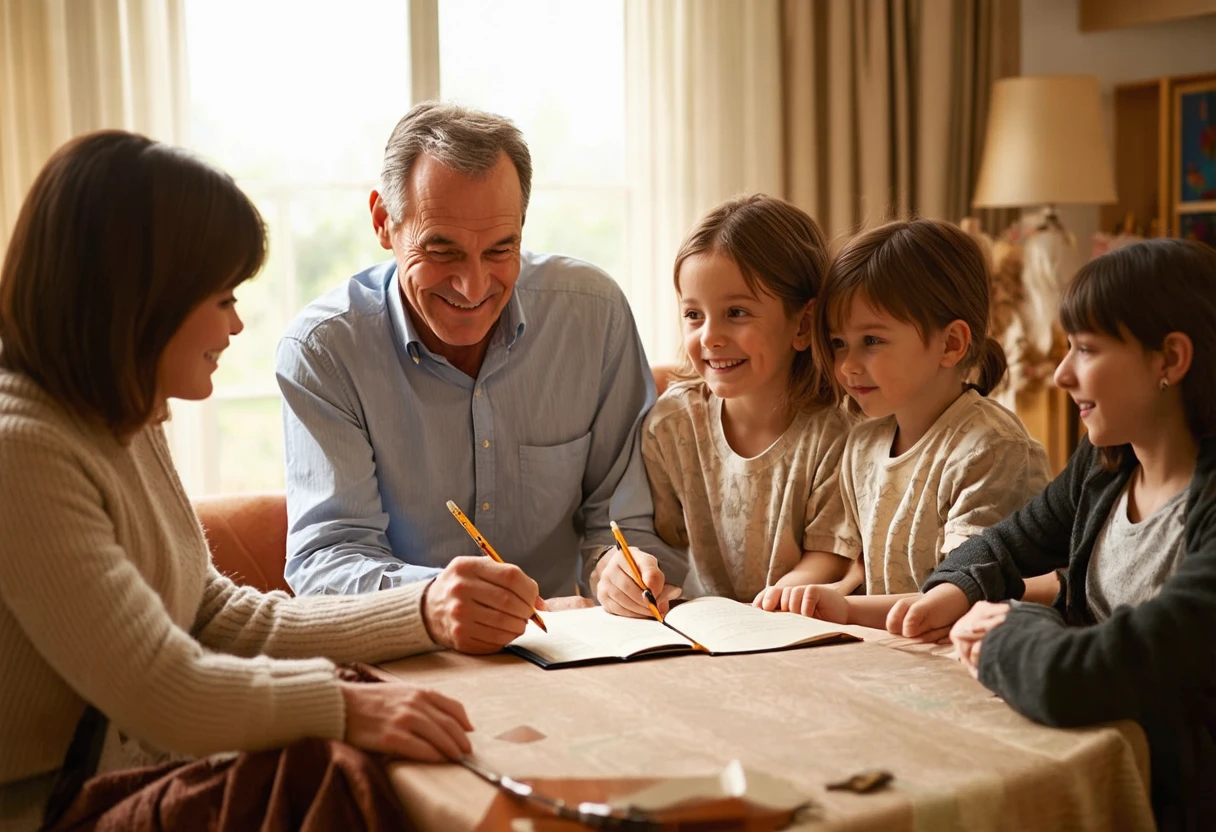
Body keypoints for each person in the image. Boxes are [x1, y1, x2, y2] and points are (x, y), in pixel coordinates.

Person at [0, 131, 474, 830]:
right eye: (221, 297)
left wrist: (425, 610)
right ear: (141, 300)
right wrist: (348, 706)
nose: (237, 323)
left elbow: (216, 619)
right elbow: (159, 686)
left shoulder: (121, 416)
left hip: (131, 780)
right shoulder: (22, 451)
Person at [275, 102, 687, 631]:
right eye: (441, 250)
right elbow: (326, 559)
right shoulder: (323, 350)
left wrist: (620, 570)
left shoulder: (594, 314)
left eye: (500, 249)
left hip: (577, 645)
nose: (473, 287)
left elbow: (622, 521)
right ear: (383, 221)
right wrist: (435, 601)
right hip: (419, 653)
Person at [890, 239, 1216, 830]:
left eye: (1086, 349)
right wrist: (955, 591)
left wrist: (1009, 627)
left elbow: (1095, 673)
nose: (1062, 373)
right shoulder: (1104, 466)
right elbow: (1003, 543)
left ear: (1170, 359)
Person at [758, 219, 1055, 623]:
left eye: (872, 341)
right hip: (892, 649)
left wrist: (846, 610)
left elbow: (963, 596)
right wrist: (818, 594)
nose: (847, 365)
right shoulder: (862, 445)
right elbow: (862, 569)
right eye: (839, 343)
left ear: (951, 344)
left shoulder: (993, 449)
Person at [630, 195, 857, 612]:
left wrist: (772, 605)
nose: (710, 337)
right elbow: (664, 542)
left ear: (803, 324)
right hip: (705, 629)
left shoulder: (837, 434)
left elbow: (830, 554)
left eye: (736, 312)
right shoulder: (671, 424)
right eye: (694, 315)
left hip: (796, 623)